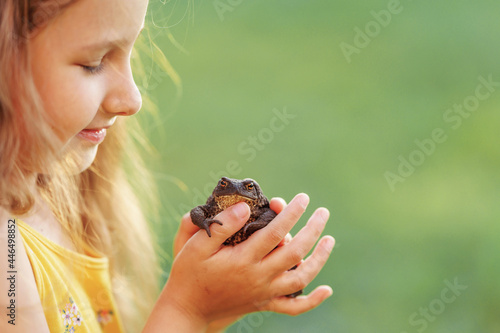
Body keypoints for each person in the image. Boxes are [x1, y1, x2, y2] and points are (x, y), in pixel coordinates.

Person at [0, 0, 335, 332]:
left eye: (131, 51)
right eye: (94, 61)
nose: (133, 99)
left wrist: (210, 306)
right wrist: (187, 309)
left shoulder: (54, 188)